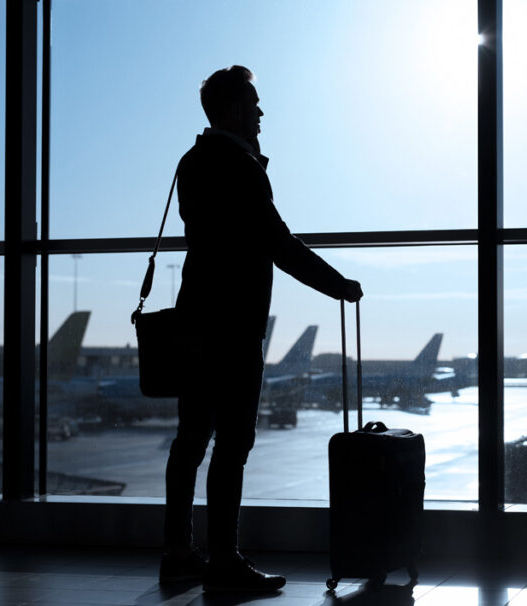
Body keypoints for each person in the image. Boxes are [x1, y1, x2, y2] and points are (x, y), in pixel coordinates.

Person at [159, 65, 363, 594]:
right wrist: (337, 284)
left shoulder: (192, 161)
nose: (261, 112)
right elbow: (279, 243)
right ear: (232, 110)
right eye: (253, 103)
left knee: (190, 440)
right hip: (233, 326)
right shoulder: (240, 167)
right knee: (233, 443)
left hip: (194, 319)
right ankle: (224, 561)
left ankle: (178, 552)